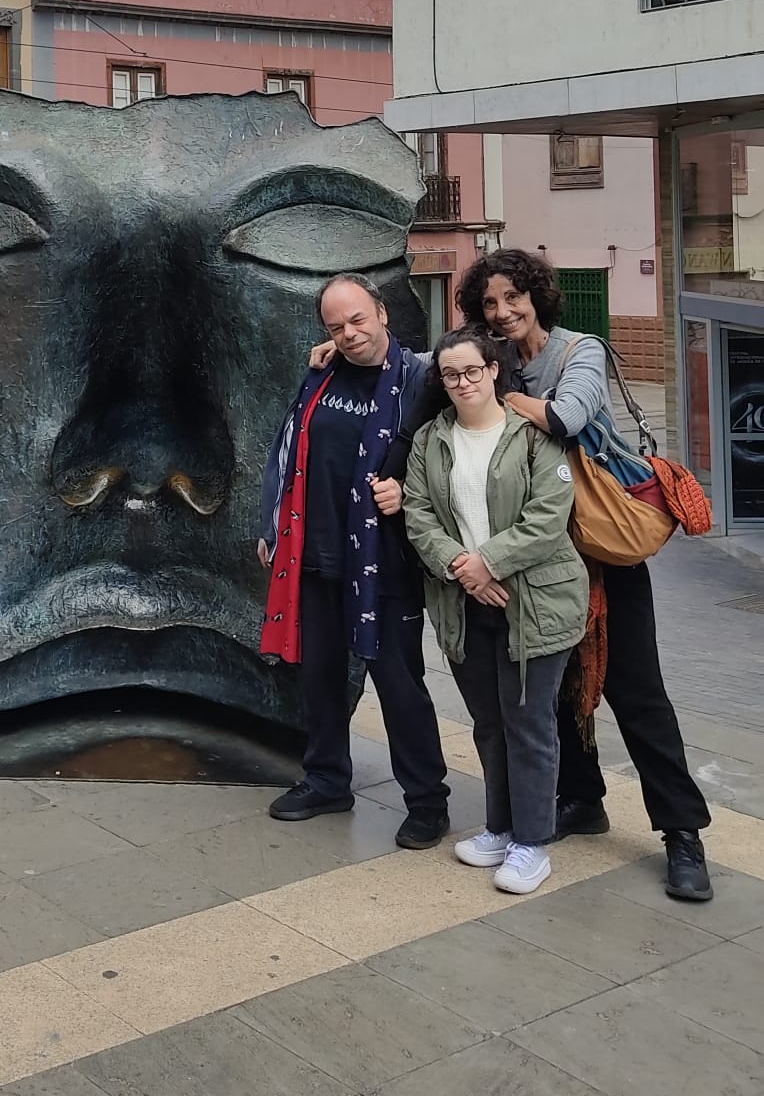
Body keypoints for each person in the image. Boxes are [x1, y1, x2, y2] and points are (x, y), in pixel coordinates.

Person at [456, 248, 713, 902]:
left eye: (512, 297)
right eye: (489, 304)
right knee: (555, 686)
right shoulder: (492, 359)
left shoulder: (579, 352)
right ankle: (581, 797)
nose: (503, 311)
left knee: (635, 690)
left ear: (538, 294)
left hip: (603, 547)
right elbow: (436, 379)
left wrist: (502, 396)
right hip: (542, 554)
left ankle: (683, 832)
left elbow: (566, 418)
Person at [259, 274, 452, 848]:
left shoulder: (421, 378)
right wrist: (272, 521)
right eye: (336, 326)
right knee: (319, 678)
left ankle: (426, 800)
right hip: (315, 552)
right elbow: (288, 445)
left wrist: (408, 496)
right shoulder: (322, 372)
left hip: (384, 561)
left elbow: (445, 459)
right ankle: (325, 780)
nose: (348, 334)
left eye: (358, 320)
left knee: (400, 684)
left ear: (383, 314)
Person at [403, 324, 588, 894]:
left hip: (534, 603)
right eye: (450, 373)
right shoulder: (430, 440)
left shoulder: (533, 437)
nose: (462, 382)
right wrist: (464, 568)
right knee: (488, 723)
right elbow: (418, 515)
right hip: (466, 603)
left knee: (529, 724)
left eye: (472, 371)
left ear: (493, 372)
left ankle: (533, 843)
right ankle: (501, 827)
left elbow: (548, 517)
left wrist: (490, 563)